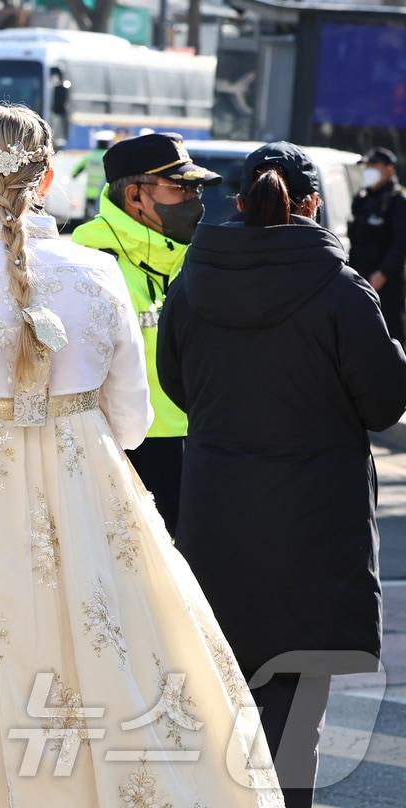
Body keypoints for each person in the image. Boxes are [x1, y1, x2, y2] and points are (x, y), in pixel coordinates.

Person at [0, 104, 281, 807]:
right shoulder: (97, 274)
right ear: (47, 177)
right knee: (121, 649)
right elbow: (130, 420)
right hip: (88, 485)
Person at [158, 142, 406, 808]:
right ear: (314, 205)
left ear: (239, 201)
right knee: (295, 710)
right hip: (314, 522)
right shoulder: (338, 289)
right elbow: (385, 402)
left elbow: (175, 382)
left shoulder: (193, 281)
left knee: (222, 692)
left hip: (215, 511)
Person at [70, 133, 220, 535]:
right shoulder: (90, 265)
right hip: (124, 447)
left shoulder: (198, 259)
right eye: (182, 188)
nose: (195, 200)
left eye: (196, 188)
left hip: (200, 443)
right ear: (136, 196)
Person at [348, 146, 406, 342]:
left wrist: (383, 273)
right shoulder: (362, 198)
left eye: (374, 165)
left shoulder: (397, 201)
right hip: (359, 276)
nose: (369, 170)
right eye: (367, 166)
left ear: (389, 169)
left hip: (385, 282)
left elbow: (400, 244)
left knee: (390, 335)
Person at [71, 130, 115, 219]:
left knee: (89, 217)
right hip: (105, 193)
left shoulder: (90, 156)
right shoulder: (111, 156)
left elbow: (74, 173)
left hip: (89, 193)